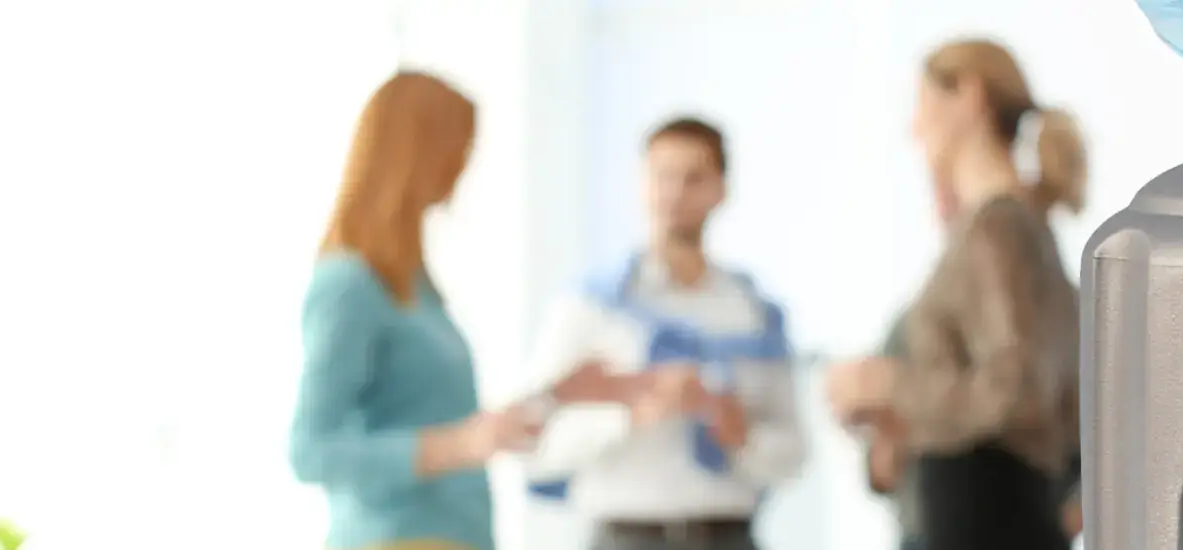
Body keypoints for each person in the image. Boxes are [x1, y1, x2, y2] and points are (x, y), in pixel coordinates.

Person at [826, 38, 1086, 550]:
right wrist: (903, 419)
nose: (913, 129)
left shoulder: (999, 228)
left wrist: (887, 384)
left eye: (921, 106)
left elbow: (1016, 390)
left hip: (983, 518)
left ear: (968, 96)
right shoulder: (1015, 228)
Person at [511, 116, 808, 550]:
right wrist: (631, 410)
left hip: (727, 536)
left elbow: (795, 454)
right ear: (641, 184)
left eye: (694, 178)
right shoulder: (591, 309)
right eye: (662, 176)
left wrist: (741, 434)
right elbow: (531, 444)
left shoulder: (753, 314)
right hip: (624, 536)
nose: (675, 194)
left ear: (721, 190)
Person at [289, 71, 539, 550]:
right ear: (419, 152)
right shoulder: (348, 284)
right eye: (458, 147)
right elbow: (310, 450)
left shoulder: (413, 284)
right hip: (394, 537)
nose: (463, 166)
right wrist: (460, 445)